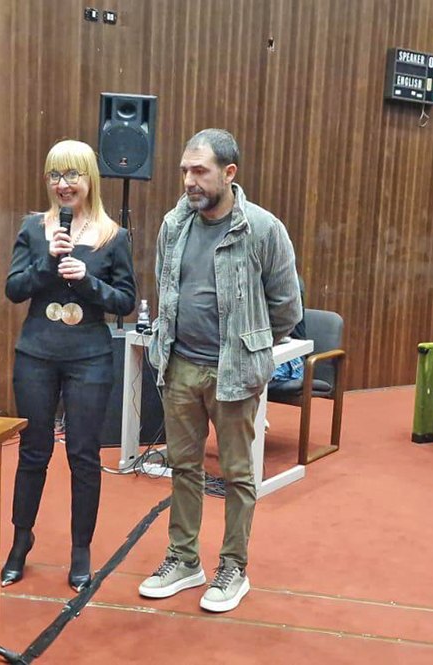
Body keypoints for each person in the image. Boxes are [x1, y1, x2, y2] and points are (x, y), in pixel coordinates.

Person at [139, 129, 301, 612]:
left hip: (233, 373)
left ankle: (234, 567)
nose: (189, 180)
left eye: (200, 171)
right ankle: (184, 560)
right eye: (184, 171)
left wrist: (248, 346)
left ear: (229, 173)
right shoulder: (174, 224)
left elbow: (287, 309)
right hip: (179, 368)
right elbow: (166, 288)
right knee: (183, 467)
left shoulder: (263, 229)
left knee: (236, 474)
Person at [3, 139, 136, 591]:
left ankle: (81, 549)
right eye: (55, 175)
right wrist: (48, 261)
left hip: (89, 357)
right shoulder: (33, 228)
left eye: (72, 174)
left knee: (83, 455)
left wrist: (88, 282)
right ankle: (20, 541)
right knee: (33, 451)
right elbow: (14, 289)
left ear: (89, 179)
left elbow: (126, 301)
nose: (64, 184)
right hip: (36, 354)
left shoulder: (113, 236)